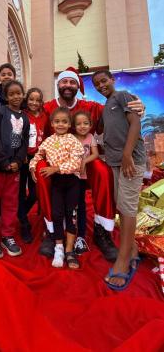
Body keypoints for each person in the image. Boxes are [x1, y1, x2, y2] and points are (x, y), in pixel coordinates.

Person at [38, 67, 144, 261]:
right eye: (64, 82)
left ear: (78, 86)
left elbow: (119, 110)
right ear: (58, 84)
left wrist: (138, 106)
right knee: (40, 170)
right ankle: (52, 229)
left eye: (72, 82)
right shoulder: (47, 107)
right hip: (54, 158)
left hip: (85, 159)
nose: (68, 86)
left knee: (103, 171)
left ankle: (102, 230)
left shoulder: (92, 107)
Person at [92, 70, 146, 290]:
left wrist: (126, 154)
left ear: (113, 80)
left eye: (104, 80)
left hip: (130, 161)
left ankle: (123, 261)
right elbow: (104, 129)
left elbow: (135, 124)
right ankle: (131, 248)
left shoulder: (123, 95)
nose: (101, 85)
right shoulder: (106, 106)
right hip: (114, 163)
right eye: (96, 83)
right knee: (121, 207)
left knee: (127, 208)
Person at [30, 107, 85, 269]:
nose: (60, 124)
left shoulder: (73, 140)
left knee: (71, 213)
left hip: (72, 182)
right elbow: (38, 155)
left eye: (64, 122)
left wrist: (56, 168)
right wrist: (33, 167)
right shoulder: (48, 140)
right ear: (52, 123)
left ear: (69, 124)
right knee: (57, 213)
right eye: (57, 121)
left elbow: (76, 163)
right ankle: (59, 247)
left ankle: (70, 250)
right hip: (57, 184)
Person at [0, 80, 29, 259]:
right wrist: (3, 161)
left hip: (15, 168)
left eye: (19, 93)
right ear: (5, 96)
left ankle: (7, 235)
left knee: (11, 203)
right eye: (12, 94)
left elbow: (24, 141)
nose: (16, 96)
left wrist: (18, 161)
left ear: (23, 94)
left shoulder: (25, 117)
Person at [18, 87, 48, 243]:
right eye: (31, 99)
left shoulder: (45, 116)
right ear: (26, 100)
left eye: (37, 100)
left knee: (35, 192)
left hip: (38, 158)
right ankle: (23, 223)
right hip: (23, 158)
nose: (34, 102)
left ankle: (20, 212)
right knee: (20, 191)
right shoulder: (22, 115)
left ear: (41, 102)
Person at [72, 111, 99, 255]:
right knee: (69, 205)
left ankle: (80, 236)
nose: (82, 126)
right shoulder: (71, 138)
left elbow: (95, 154)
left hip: (82, 177)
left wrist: (84, 160)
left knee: (81, 205)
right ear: (73, 126)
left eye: (85, 123)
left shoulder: (90, 138)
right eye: (78, 124)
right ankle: (66, 233)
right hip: (70, 176)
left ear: (90, 125)